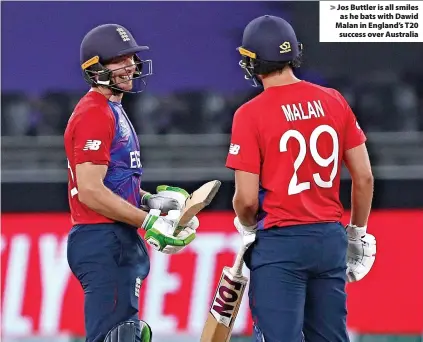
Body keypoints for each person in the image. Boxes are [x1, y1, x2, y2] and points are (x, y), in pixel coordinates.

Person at [226, 15, 377, 342]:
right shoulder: (333, 100)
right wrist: (358, 234)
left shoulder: (250, 114)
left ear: (253, 61)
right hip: (329, 240)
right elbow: (363, 177)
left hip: (281, 244)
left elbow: (247, 199)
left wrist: (247, 226)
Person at [64, 24, 199, 342]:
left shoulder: (111, 109)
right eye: (119, 59)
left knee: (124, 332)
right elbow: (91, 191)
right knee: (115, 335)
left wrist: (149, 201)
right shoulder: (95, 113)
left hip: (111, 237)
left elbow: (112, 183)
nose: (130, 66)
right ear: (96, 69)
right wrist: (148, 220)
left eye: (131, 58)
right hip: (102, 237)